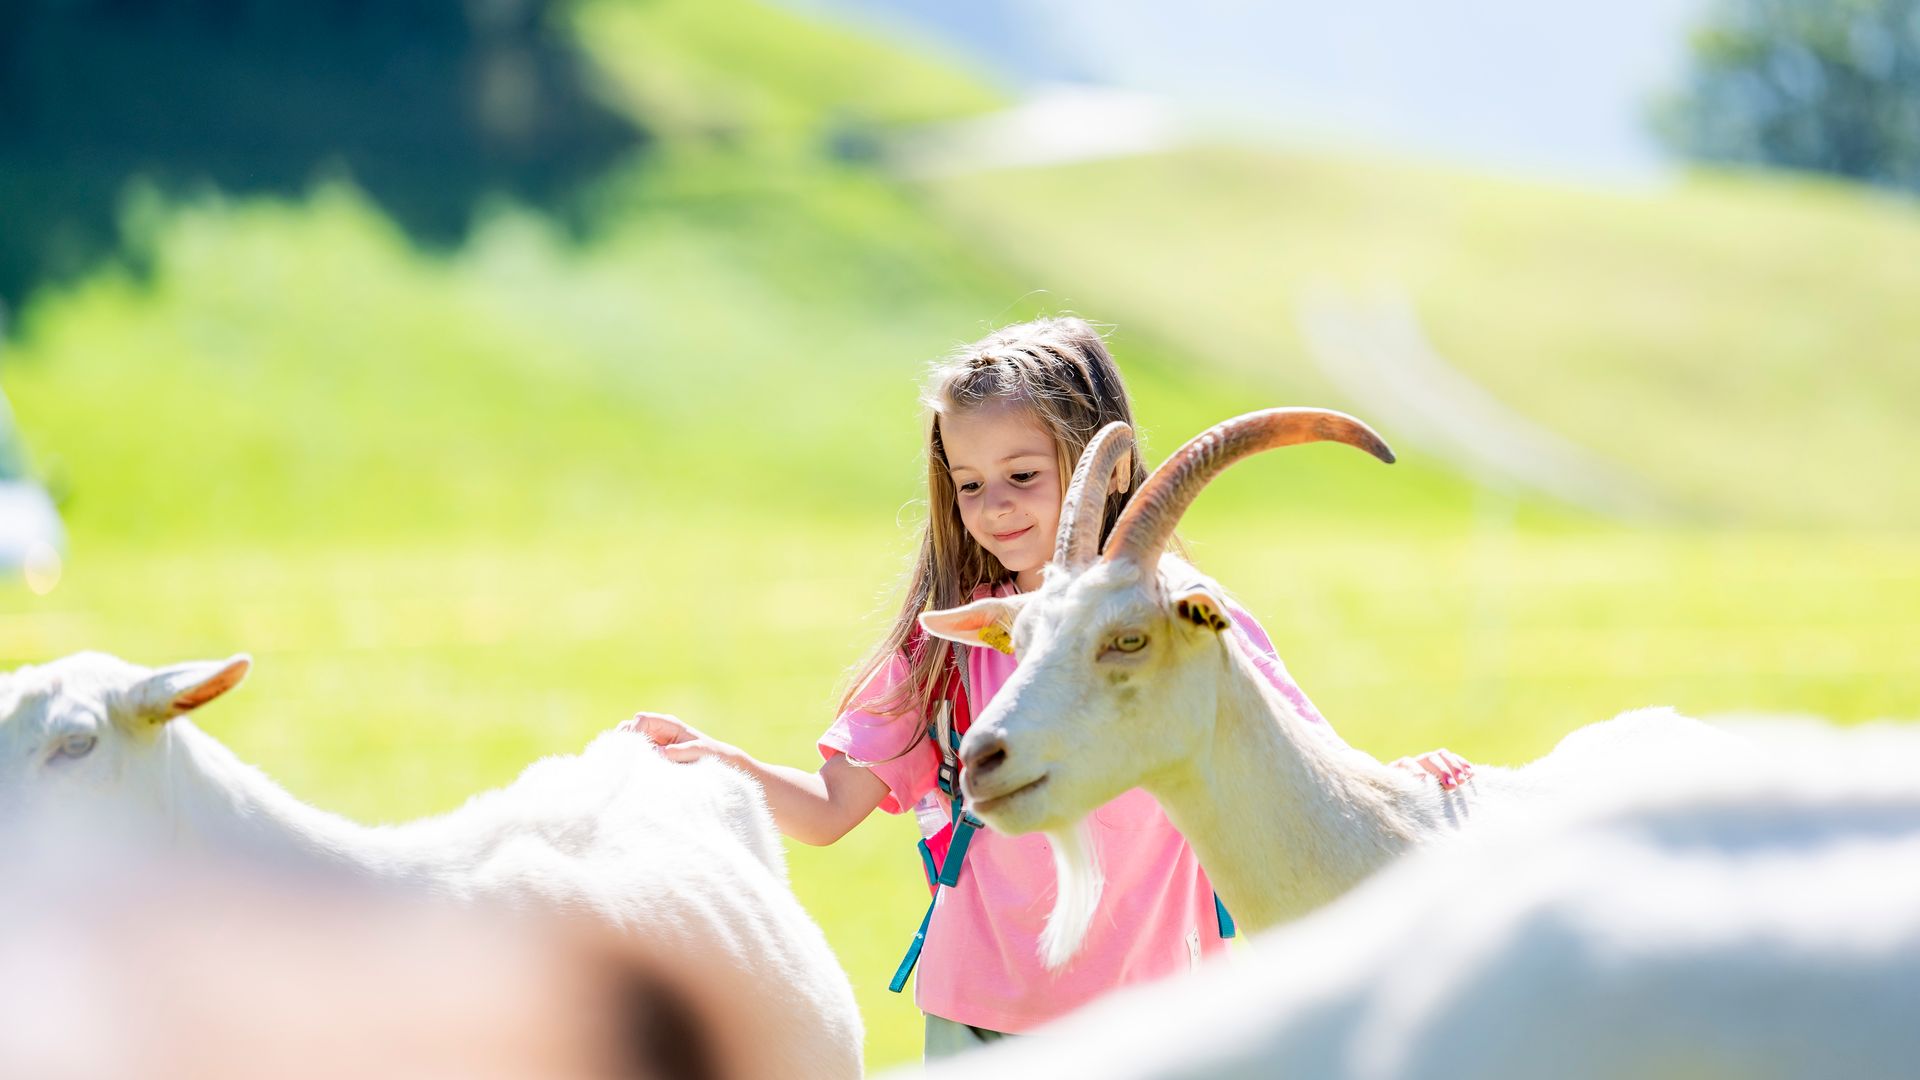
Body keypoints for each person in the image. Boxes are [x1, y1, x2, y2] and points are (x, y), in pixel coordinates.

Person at [622, 316, 1470, 1059]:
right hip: (977, 1022)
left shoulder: (1188, 624)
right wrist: (721, 764)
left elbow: (1296, 760)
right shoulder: (948, 647)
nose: (993, 507)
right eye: (969, 485)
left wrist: (1409, 782)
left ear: (1102, 463)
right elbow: (828, 808)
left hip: (1160, 1019)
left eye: (1022, 475)